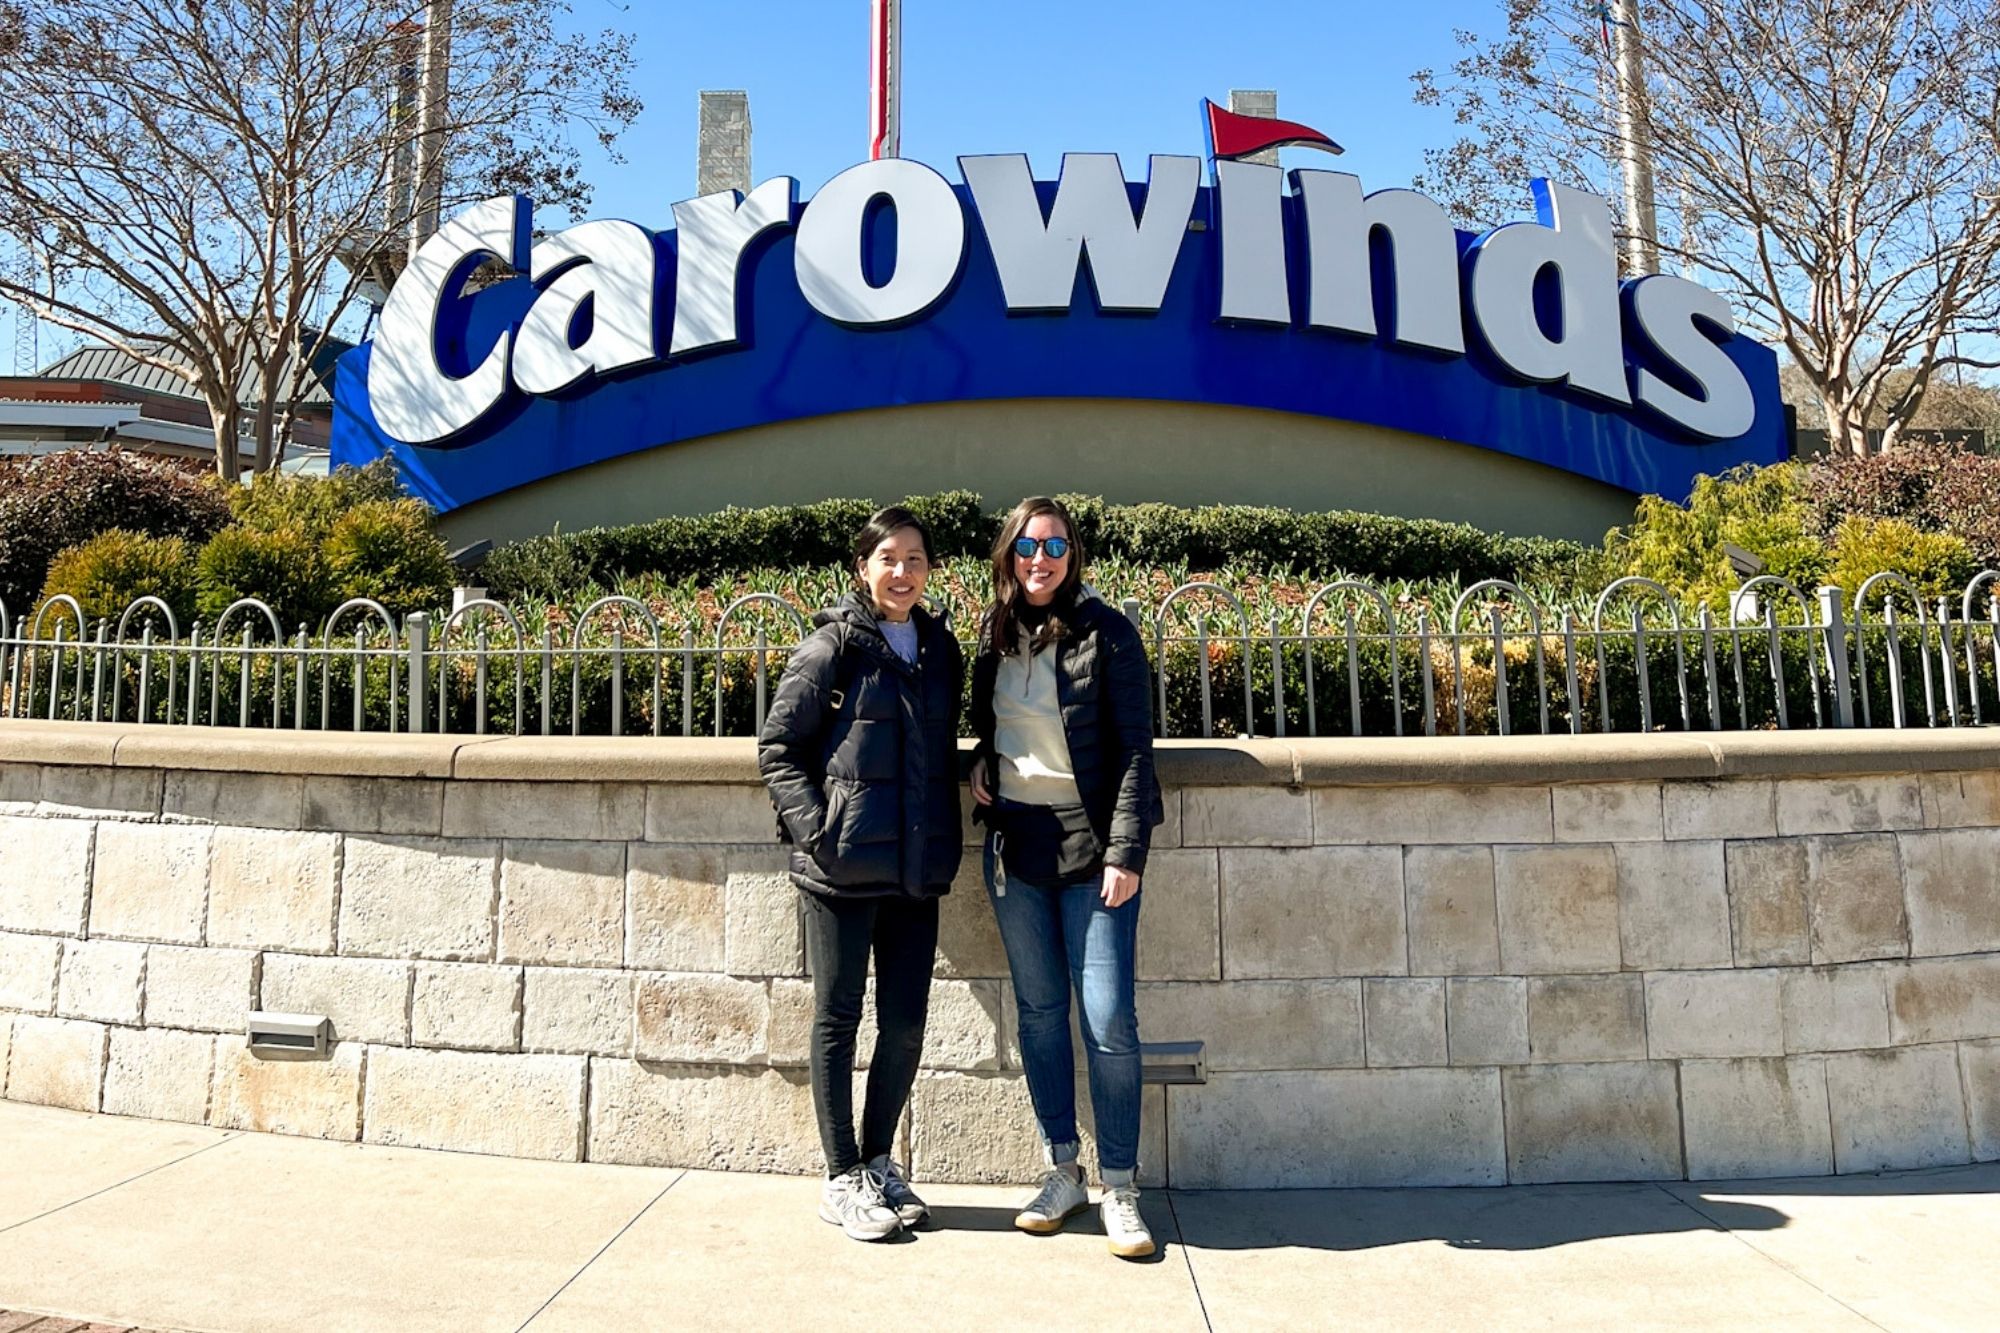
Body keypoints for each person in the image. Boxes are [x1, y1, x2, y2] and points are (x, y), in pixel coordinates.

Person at [758, 506, 965, 1241]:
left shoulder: (941, 648)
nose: (902, 572)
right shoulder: (832, 645)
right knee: (838, 1020)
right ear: (863, 567)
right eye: (888, 558)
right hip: (841, 872)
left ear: (929, 569)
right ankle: (841, 1174)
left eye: (915, 558)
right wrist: (822, 834)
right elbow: (778, 747)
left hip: (914, 869)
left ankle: (878, 1161)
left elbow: (933, 748)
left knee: (905, 1024)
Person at [969, 496, 1165, 1259]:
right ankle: (1062, 1169)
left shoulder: (1109, 633)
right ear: (1008, 556)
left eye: (1053, 545)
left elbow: (1134, 752)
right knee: (1042, 1014)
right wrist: (983, 761)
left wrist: (1126, 853)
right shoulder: (996, 634)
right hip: (1017, 849)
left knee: (1109, 1020)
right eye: (1026, 546)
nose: (1039, 559)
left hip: (1094, 854)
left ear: (1072, 553)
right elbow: (994, 729)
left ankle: (1120, 1183)